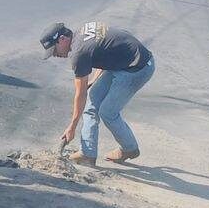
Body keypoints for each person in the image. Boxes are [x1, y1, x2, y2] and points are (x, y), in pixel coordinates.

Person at [41, 21, 155, 166]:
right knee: (93, 99)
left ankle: (129, 148)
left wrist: (72, 127)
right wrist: (94, 80)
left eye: (54, 50)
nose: (55, 55)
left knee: (108, 112)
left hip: (138, 68)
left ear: (62, 39)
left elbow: (80, 94)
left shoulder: (78, 53)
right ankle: (87, 153)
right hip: (124, 62)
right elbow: (106, 49)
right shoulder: (82, 32)